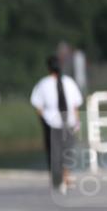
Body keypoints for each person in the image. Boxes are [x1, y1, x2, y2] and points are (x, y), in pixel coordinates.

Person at [30, 55, 83, 192]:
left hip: (57, 122)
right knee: (66, 150)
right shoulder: (68, 82)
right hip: (62, 122)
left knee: (58, 151)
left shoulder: (45, 83)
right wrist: (77, 121)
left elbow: (38, 106)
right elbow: (76, 106)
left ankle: (62, 178)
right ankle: (61, 178)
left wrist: (43, 120)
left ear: (48, 68)